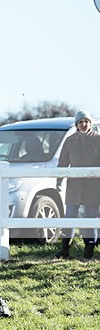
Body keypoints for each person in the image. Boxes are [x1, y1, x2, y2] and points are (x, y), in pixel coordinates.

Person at [55, 110, 100, 259]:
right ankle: (65, 250)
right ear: (76, 124)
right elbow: (62, 163)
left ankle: (88, 253)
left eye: (86, 121)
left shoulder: (98, 139)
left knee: (89, 218)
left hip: (93, 186)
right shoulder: (70, 140)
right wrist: (59, 181)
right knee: (70, 217)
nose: (83, 124)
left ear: (90, 123)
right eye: (80, 122)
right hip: (74, 186)